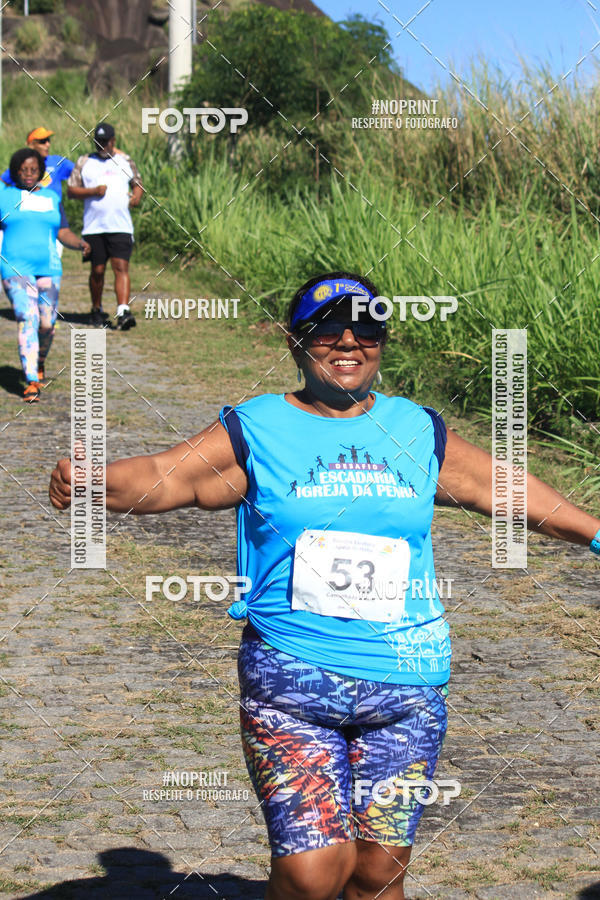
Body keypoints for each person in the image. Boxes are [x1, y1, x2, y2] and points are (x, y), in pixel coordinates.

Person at [49, 271, 600, 899]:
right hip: (292, 680)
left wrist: (596, 533)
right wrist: (93, 477)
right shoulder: (255, 428)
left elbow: (504, 486)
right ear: (294, 341)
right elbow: (168, 475)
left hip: (408, 686)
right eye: (326, 328)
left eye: (364, 328)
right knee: (314, 876)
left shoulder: (418, 430)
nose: (347, 341)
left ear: (382, 341)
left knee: (377, 875)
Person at [1, 148, 90, 403]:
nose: (29, 174)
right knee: (26, 316)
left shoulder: (52, 199)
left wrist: (80, 244)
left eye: (34, 169)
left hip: (48, 268)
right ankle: (31, 380)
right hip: (16, 269)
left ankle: (39, 361)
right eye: (23, 170)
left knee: (47, 324)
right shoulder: (4, 196)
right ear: (14, 172)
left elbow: (63, 232)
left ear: (41, 172)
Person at [67, 122, 143, 330]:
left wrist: (136, 196)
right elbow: (71, 191)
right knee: (98, 270)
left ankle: (123, 311)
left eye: (105, 142)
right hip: (94, 227)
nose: (101, 146)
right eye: (98, 142)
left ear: (113, 142)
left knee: (121, 267)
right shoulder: (84, 161)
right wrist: (92, 191)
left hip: (121, 226)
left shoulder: (124, 160)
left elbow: (138, 183)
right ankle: (96, 308)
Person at [1, 126, 74, 199]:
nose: (48, 144)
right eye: (43, 141)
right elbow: (2, 183)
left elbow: (81, 172)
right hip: (25, 207)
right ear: (31, 145)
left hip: (52, 207)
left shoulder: (58, 161)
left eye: (48, 140)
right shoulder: (20, 164)